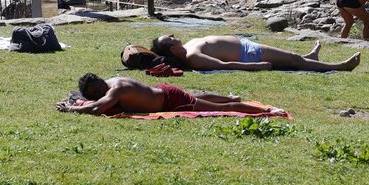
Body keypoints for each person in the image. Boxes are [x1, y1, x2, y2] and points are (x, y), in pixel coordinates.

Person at [60, 74, 284, 115]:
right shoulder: (113, 79)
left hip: (170, 101)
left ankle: (268, 111)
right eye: (96, 93)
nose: (101, 93)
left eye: (98, 89)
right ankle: (232, 97)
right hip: (164, 91)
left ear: (100, 81)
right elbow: (97, 103)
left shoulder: (115, 89)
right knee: (199, 96)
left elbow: (99, 108)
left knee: (220, 110)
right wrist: (79, 101)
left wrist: (73, 107)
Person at [150, 34, 360, 72]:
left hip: (245, 46)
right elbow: (223, 66)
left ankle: (311, 59)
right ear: (172, 48)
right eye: (169, 38)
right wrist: (255, 66)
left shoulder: (187, 47)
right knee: (294, 60)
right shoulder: (192, 58)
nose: (172, 35)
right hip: (248, 55)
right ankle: (340, 66)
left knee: (292, 59)